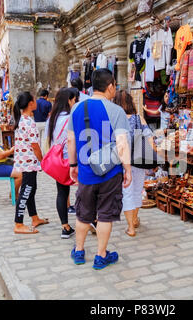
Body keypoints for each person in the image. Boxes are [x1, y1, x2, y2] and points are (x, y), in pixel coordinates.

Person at [68, 68, 132, 270]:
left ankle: (79, 251)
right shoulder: (116, 111)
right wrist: (127, 169)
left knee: (83, 213)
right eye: (115, 85)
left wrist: (72, 165)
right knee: (105, 214)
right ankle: (100, 255)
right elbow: (122, 143)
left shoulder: (77, 108)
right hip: (110, 172)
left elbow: (70, 140)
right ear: (110, 86)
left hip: (86, 172)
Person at [114, 90, 154, 237]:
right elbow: (150, 139)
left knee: (127, 193)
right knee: (137, 191)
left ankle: (130, 227)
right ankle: (135, 219)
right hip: (139, 161)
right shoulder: (139, 118)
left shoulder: (115, 119)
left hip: (122, 163)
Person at [13, 92, 48, 234]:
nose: (36, 102)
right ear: (30, 104)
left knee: (31, 190)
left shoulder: (22, 119)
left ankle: (34, 217)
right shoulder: (29, 122)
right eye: (34, 100)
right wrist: (43, 160)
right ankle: (18, 223)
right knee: (26, 191)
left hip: (26, 161)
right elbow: (35, 146)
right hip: (29, 162)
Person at [45, 88, 78, 239]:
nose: (75, 102)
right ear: (69, 100)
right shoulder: (72, 117)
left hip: (58, 162)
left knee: (62, 193)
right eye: (74, 100)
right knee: (84, 191)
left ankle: (65, 226)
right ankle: (90, 220)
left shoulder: (52, 118)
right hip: (73, 160)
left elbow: (49, 140)